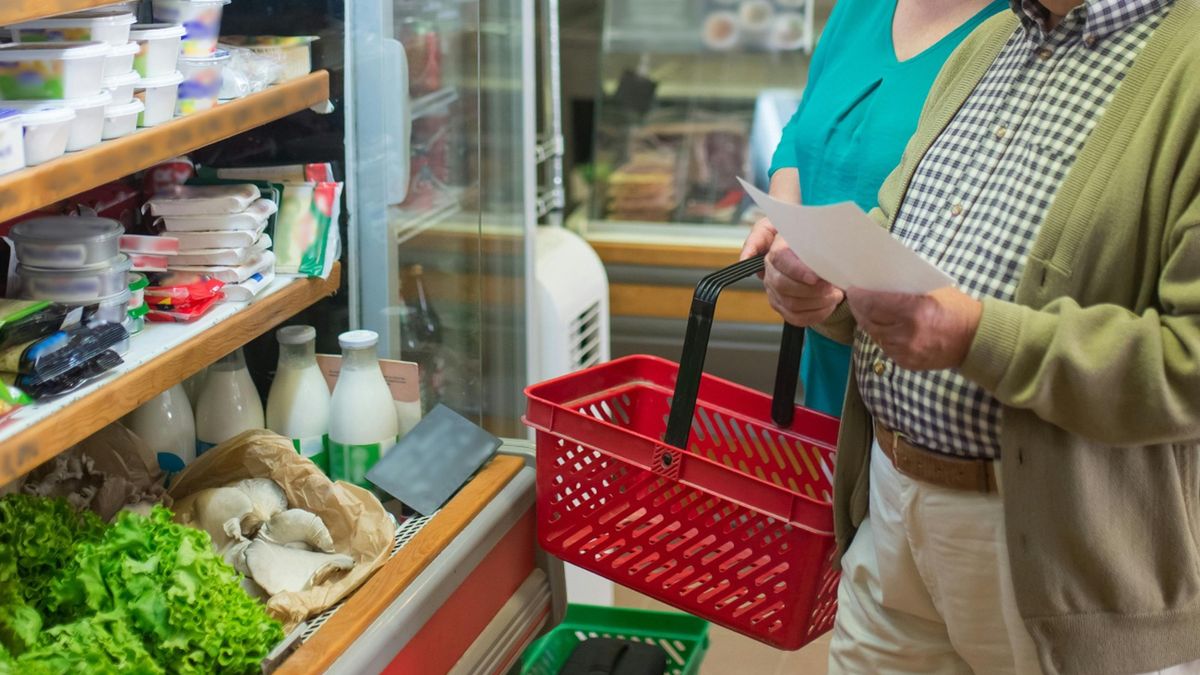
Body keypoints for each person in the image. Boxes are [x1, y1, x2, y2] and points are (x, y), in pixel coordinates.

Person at [761, 0, 1200, 672]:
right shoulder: (993, 38)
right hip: (889, 516)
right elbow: (895, 235)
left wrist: (976, 336)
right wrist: (831, 292)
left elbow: (1188, 361)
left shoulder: (1185, 64)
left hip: (1066, 557)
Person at [742, 0, 1007, 417]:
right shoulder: (861, 7)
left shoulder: (1025, 25)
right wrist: (786, 219)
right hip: (827, 342)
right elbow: (804, 122)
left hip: (929, 375)